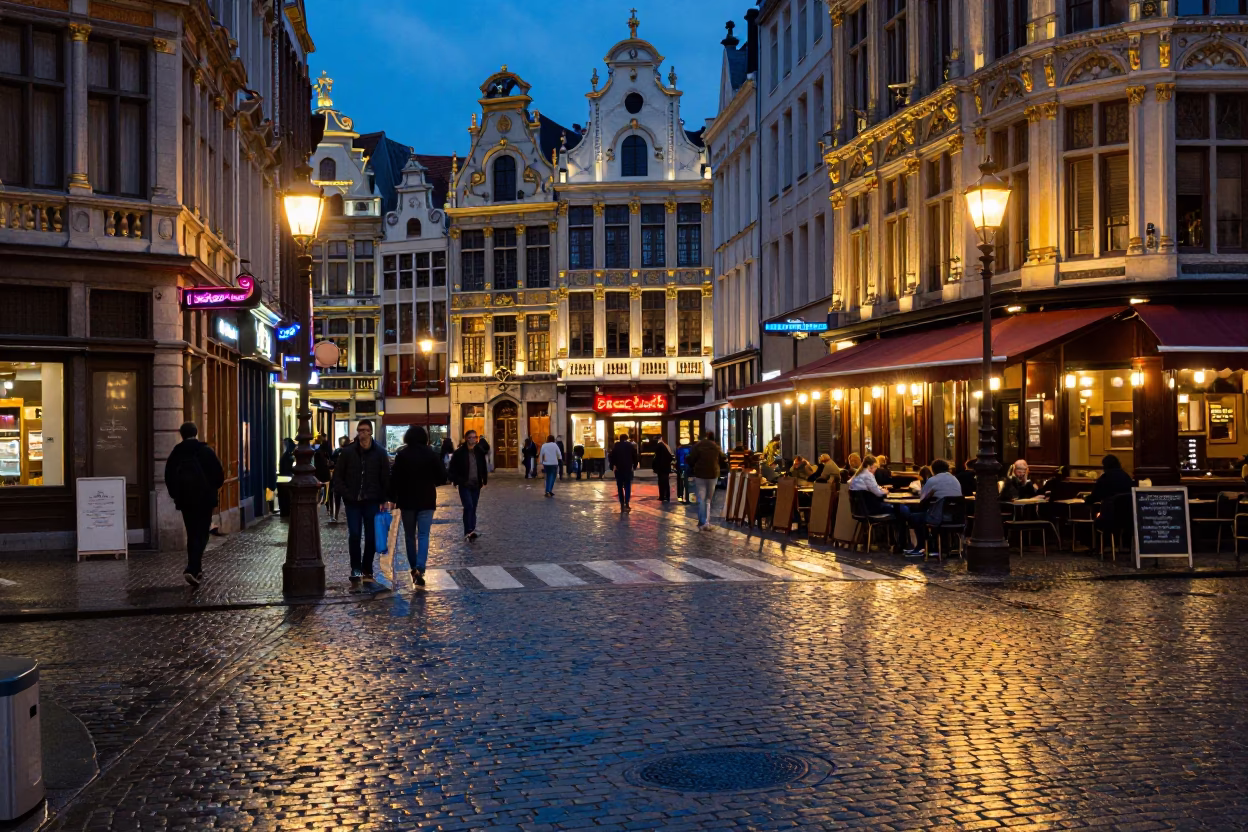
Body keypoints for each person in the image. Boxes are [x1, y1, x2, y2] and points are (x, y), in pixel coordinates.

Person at [164, 422, 226, 586]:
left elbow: (168, 476)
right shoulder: (205, 451)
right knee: (202, 534)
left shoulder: (176, 453)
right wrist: (210, 489)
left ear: (181, 434)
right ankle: (192, 568)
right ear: (196, 433)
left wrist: (176, 494)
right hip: (204, 500)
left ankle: (196, 570)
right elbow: (219, 475)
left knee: (192, 533)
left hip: (186, 500)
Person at [331, 419, 391, 583]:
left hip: (372, 501)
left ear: (370, 432)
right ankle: (356, 568)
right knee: (355, 535)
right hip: (353, 502)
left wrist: (385, 498)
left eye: (365, 430)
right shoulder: (349, 452)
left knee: (371, 537)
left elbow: (385, 477)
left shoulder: (379, 452)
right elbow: (338, 476)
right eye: (359, 430)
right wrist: (346, 494)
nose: (362, 433)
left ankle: (367, 568)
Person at [387, 426, 447, 587]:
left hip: (407, 500)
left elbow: (395, 478)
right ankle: (421, 566)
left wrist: (392, 497)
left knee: (409, 536)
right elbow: (442, 476)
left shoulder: (402, 455)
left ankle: (413, 567)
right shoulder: (431, 454)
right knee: (423, 535)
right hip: (427, 498)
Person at [849, 455, 914, 554]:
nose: (876, 470)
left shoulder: (857, 475)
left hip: (860, 510)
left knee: (899, 510)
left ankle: (897, 542)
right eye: (875, 467)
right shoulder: (868, 475)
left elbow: (874, 488)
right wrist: (885, 492)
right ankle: (901, 544)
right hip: (871, 510)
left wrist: (880, 489)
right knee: (900, 510)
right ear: (870, 466)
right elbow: (878, 492)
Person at [912, 458, 965, 555]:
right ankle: (942, 546)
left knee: (916, 518)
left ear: (933, 470)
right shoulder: (955, 479)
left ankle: (922, 547)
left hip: (938, 518)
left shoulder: (933, 480)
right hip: (956, 518)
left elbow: (922, 499)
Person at [448, 429, 490, 540]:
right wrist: (456, 480)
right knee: (468, 506)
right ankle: (468, 531)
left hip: (476, 484)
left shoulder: (479, 451)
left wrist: (484, 480)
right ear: (467, 438)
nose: (473, 439)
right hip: (464, 484)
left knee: (474, 507)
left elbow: (483, 466)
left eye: (475, 437)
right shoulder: (459, 453)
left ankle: (472, 529)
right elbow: (452, 468)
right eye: (471, 437)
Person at [687, 430, 729, 530]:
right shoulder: (716, 447)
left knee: (701, 498)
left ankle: (702, 521)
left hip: (700, 474)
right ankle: (706, 521)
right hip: (713, 474)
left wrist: (693, 466)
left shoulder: (697, 446)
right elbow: (723, 459)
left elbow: (691, 459)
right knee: (708, 499)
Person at [1085, 454, 1134, 532]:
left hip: (1109, 518)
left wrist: (1086, 499)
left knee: (1092, 522)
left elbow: (1094, 497)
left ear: (1105, 466)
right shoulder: (1126, 477)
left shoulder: (1105, 478)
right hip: (1127, 518)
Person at [608, 433, 640, 512]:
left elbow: (611, 457)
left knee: (619, 486)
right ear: (627, 438)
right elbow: (635, 456)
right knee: (627, 485)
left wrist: (612, 466)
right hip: (628, 469)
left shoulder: (616, 446)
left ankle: (622, 502)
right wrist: (635, 465)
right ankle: (627, 502)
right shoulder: (630, 446)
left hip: (619, 469)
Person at [328, 436, 349, 522]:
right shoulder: (349, 452)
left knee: (339, 497)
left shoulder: (338, 452)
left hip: (339, 478)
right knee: (343, 498)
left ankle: (336, 515)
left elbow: (331, 464)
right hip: (343, 478)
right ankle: (338, 515)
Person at [651, 436, 675, 502]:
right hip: (666, 467)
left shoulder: (659, 446)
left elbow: (656, 458)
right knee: (666, 482)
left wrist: (655, 467)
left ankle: (662, 496)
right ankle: (667, 496)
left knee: (661, 482)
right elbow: (670, 457)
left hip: (661, 468)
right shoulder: (666, 446)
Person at [277, 437, 295, 517]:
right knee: (285, 498)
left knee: (284, 498)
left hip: (284, 478)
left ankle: (285, 511)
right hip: (286, 478)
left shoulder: (288, 454)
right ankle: (285, 511)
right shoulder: (288, 454)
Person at [314, 435, 332, 513]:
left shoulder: (319, 452)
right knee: (326, 491)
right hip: (324, 474)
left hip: (319, 474)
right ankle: (326, 504)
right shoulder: (323, 453)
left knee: (322, 490)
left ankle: (323, 503)